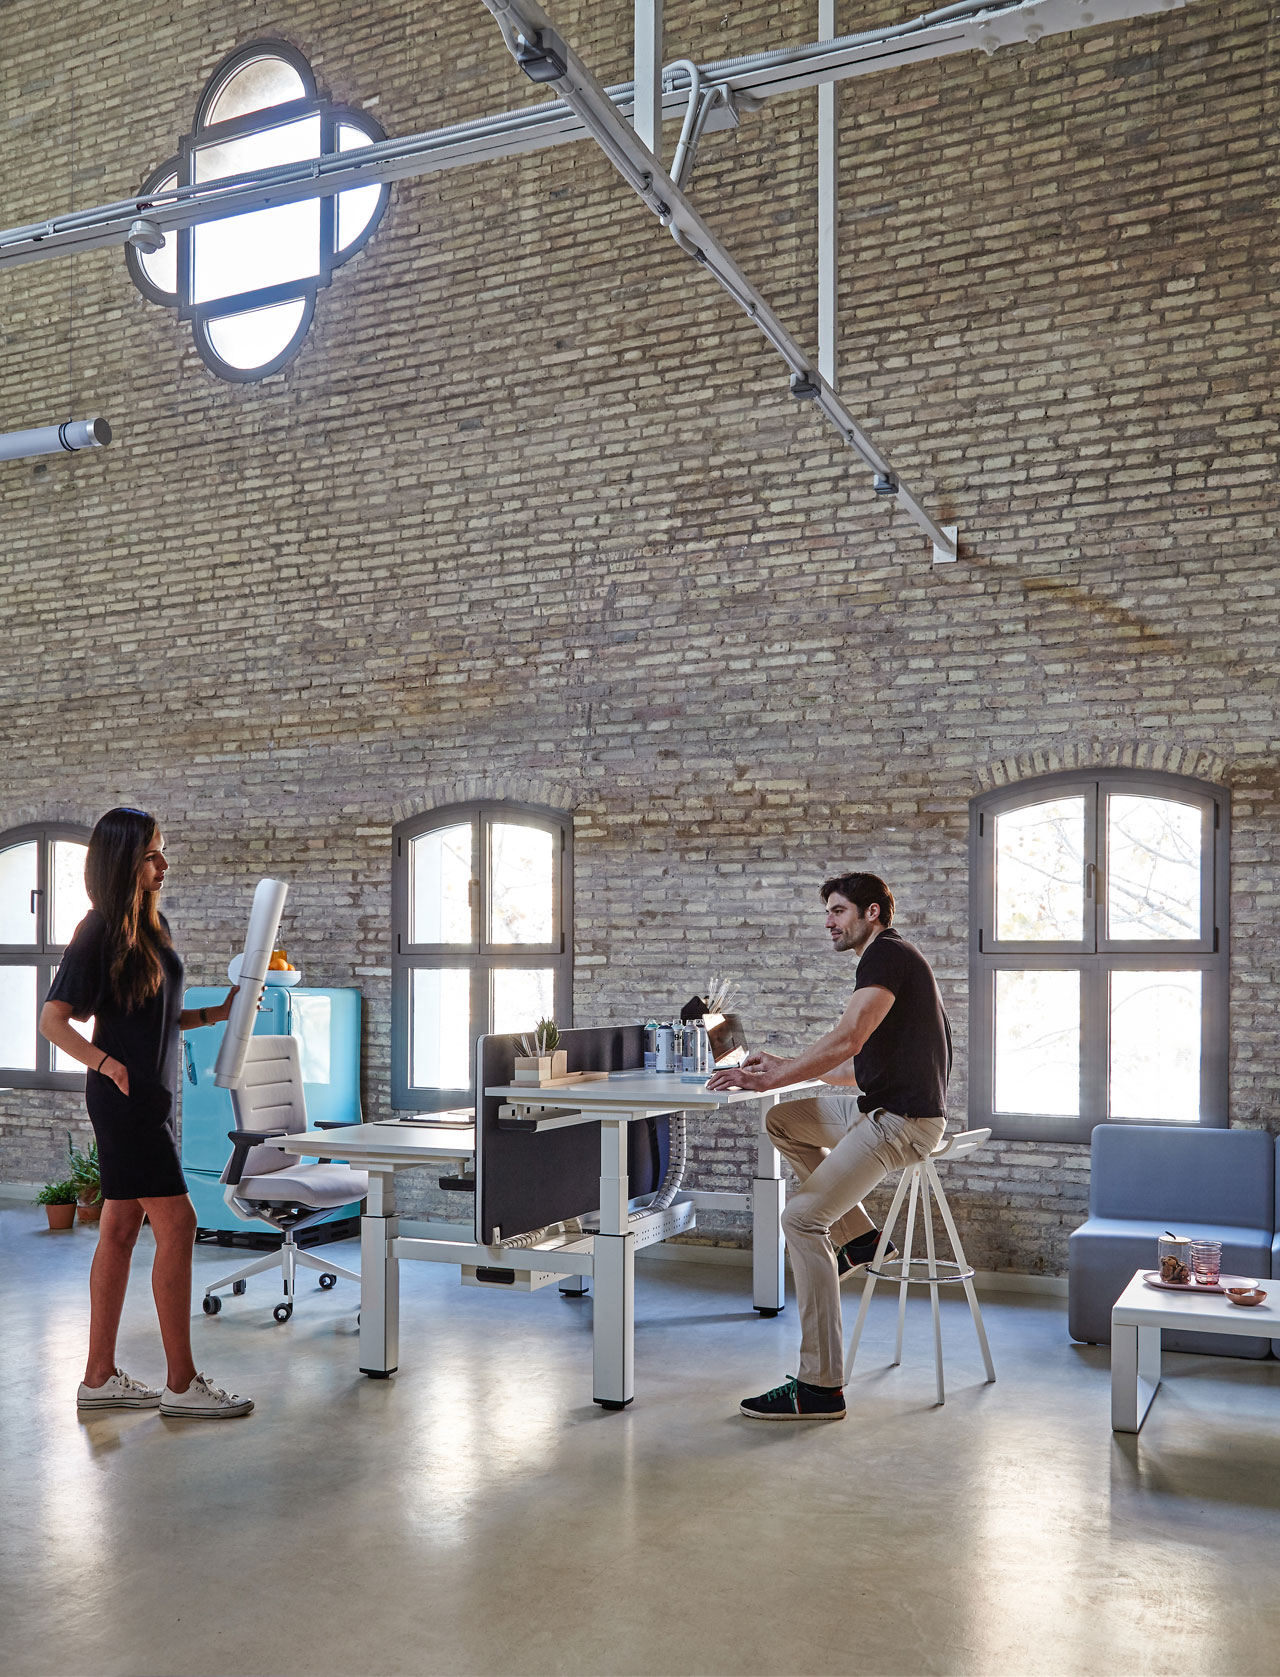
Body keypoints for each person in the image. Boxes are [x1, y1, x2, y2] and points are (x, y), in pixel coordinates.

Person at [707, 871, 951, 1422]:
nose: (829, 922)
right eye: (828, 913)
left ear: (871, 913)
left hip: (903, 1121)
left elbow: (848, 1038)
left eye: (838, 911)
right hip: (879, 1107)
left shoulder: (886, 955)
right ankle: (861, 1238)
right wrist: (783, 1068)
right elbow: (856, 1065)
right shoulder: (889, 960)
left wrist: (774, 1077)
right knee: (784, 1122)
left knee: (800, 1220)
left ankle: (820, 1387)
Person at [39, 807, 254, 1420]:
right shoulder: (98, 930)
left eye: (163, 852)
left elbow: (153, 1015)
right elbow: (53, 1020)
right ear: (123, 862)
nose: (164, 864)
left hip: (150, 1099)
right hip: (125, 1101)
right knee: (179, 1225)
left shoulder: (152, 929)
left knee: (118, 1230)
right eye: (152, 854)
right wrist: (107, 1065)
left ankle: (99, 1378)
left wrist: (215, 1015)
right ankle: (181, 1385)